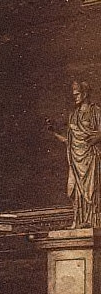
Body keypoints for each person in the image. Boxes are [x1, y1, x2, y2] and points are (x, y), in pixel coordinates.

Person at [47, 80, 101, 228]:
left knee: (92, 190)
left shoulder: (95, 111)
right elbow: (69, 141)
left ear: (85, 93)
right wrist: (54, 132)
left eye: (77, 94)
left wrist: (97, 137)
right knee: (77, 191)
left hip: (90, 158)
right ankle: (79, 220)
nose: (75, 96)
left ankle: (94, 221)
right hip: (76, 160)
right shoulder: (73, 115)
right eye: (74, 94)